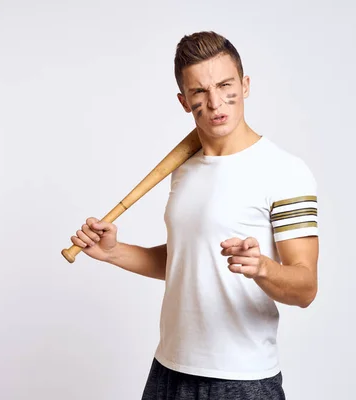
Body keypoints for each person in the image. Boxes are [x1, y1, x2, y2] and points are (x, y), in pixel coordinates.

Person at [69, 31, 319, 400]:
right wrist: (113, 252)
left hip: (241, 380)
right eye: (199, 92)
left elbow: (305, 288)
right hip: (168, 369)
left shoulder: (284, 171)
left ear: (245, 85)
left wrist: (262, 266)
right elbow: (184, 259)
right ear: (184, 101)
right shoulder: (184, 170)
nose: (215, 102)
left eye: (225, 85)